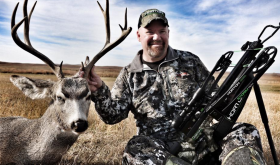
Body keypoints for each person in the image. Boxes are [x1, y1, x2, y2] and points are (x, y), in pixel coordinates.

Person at [82, 9, 267, 165]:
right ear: (139, 35)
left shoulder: (190, 61)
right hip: (160, 151)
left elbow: (216, 99)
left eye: (162, 31)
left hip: (203, 142)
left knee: (245, 131)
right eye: (150, 32)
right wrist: (99, 91)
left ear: (168, 33)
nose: (157, 37)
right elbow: (113, 116)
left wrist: (241, 81)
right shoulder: (129, 74)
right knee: (135, 149)